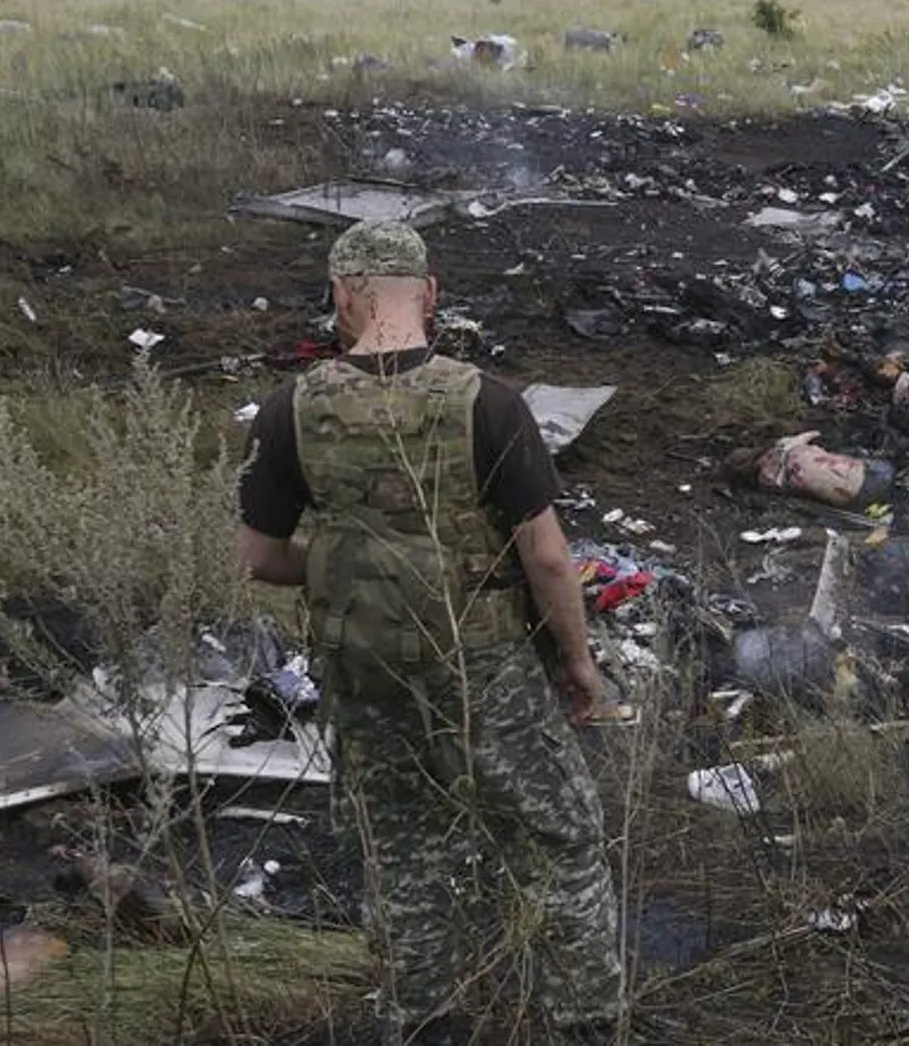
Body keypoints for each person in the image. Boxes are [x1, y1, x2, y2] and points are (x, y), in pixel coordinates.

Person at [236, 219, 625, 1046]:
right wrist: (579, 662)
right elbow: (549, 558)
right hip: (482, 664)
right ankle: (585, 1023)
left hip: (364, 670)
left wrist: (356, 566)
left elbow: (262, 557)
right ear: (431, 295)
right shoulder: (488, 400)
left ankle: (425, 1022)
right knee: (560, 839)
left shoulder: (288, 410)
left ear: (342, 297)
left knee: (404, 854)